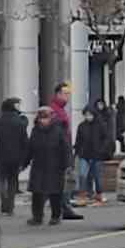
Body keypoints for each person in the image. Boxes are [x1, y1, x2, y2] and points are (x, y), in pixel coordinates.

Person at [24, 106, 71, 226]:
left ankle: (56, 216)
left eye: (45, 118)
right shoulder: (35, 130)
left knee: (55, 192)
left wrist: (66, 165)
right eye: (41, 118)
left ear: (51, 118)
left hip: (55, 166)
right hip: (39, 165)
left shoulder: (58, 130)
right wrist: (24, 162)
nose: (43, 121)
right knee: (37, 192)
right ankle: (37, 217)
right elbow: (30, 148)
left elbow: (65, 149)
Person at [48, 81, 83, 220]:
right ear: (58, 94)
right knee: (64, 181)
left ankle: (64, 207)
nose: (68, 97)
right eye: (65, 94)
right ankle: (64, 207)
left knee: (65, 180)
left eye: (69, 94)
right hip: (59, 152)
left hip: (64, 149)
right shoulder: (54, 110)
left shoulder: (60, 109)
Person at [0, 97, 29, 216]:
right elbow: (25, 142)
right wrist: (25, 160)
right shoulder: (20, 122)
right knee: (12, 182)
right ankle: (10, 207)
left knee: (1, 181)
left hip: (0, 156)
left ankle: (4, 204)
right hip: (16, 157)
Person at [74, 106, 106, 206]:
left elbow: (106, 139)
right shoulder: (82, 126)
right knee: (82, 175)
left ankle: (99, 194)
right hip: (84, 154)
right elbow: (78, 140)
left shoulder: (100, 125)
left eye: (90, 115)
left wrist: (102, 150)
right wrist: (77, 153)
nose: (88, 117)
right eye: (86, 115)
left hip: (97, 155)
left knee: (97, 176)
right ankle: (83, 194)